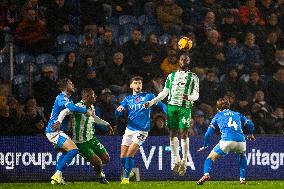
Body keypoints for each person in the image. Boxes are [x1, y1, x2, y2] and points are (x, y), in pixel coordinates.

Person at [144, 53, 199, 176]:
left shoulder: (193, 77)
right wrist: (152, 101)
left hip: (185, 107)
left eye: (186, 59)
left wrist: (188, 97)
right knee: (172, 133)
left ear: (189, 61)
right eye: (182, 59)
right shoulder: (171, 76)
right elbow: (164, 92)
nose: (184, 60)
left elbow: (196, 95)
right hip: (172, 107)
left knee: (184, 133)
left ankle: (184, 160)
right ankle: (176, 159)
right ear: (179, 61)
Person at [55, 88, 114, 184]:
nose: (95, 97)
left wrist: (106, 124)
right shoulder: (77, 106)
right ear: (86, 97)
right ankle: (101, 176)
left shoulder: (91, 107)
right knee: (98, 162)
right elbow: (64, 112)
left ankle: (96, 166)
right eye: (93, 95)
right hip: (81, 142)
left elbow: (94, 118)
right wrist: (59, 121)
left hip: (92, 139)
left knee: (106, 159)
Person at [116, 76, 167, 184]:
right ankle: (129, 172)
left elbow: (161, 105)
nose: (138, 85)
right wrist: (119, 110)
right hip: (129, 130)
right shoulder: (127, 99)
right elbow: (117, 113)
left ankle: (125, 178)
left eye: (140, 83)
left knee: (130, 154)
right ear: (131, 85)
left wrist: (168, 112)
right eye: (135, 83)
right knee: (122, 157)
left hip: (142, 131)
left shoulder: (148, 96)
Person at [196, 98, 255, 185]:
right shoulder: (237, 114)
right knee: (242, 156)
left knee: (210, 158)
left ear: (217, 107)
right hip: (241, 141)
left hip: (227, 141)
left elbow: (208, 134)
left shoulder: (217, 115)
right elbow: (250, 124)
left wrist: (205, 145)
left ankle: (206, 174)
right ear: (229, 106)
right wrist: (251, 134)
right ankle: (242, 179)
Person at [45, 78, 92, 185]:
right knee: (73, 150)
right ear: (64, 87)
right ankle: (57, 174)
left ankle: (57, 178)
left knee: (65, 152)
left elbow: (68, 111)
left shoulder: (68, 99)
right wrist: (85, 110)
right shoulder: (60, 98)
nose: (73, 84)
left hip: (57, 131)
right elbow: (71, 107)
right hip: (53, 131)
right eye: (70, 83)